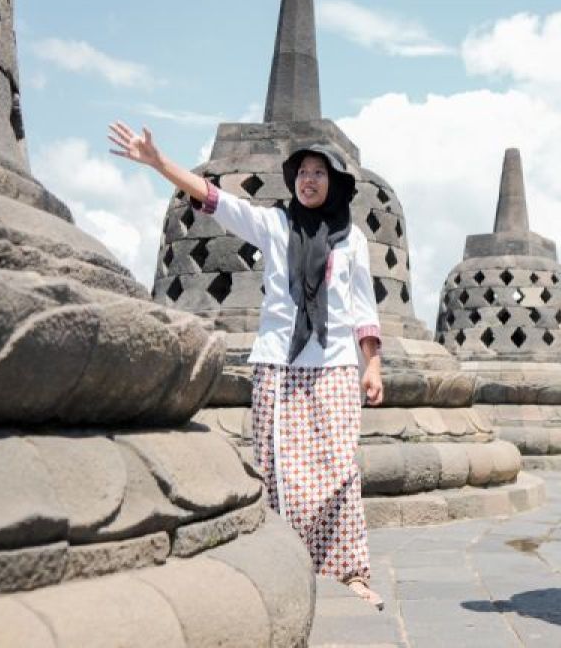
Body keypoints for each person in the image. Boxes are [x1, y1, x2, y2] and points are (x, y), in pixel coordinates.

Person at [108, 123, 386, 609]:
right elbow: (216, 200)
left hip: (336, 364)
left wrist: (373, 367)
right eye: (302, 172)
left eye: (319, 173)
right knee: (280, 474)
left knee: (340, 471)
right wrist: (158, 162)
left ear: (335, 182)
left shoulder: (352, 241)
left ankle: (350, 571)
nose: (309, 180)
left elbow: (362, 309)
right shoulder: (275, 225)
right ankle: (291, 567)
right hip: (279, 363)